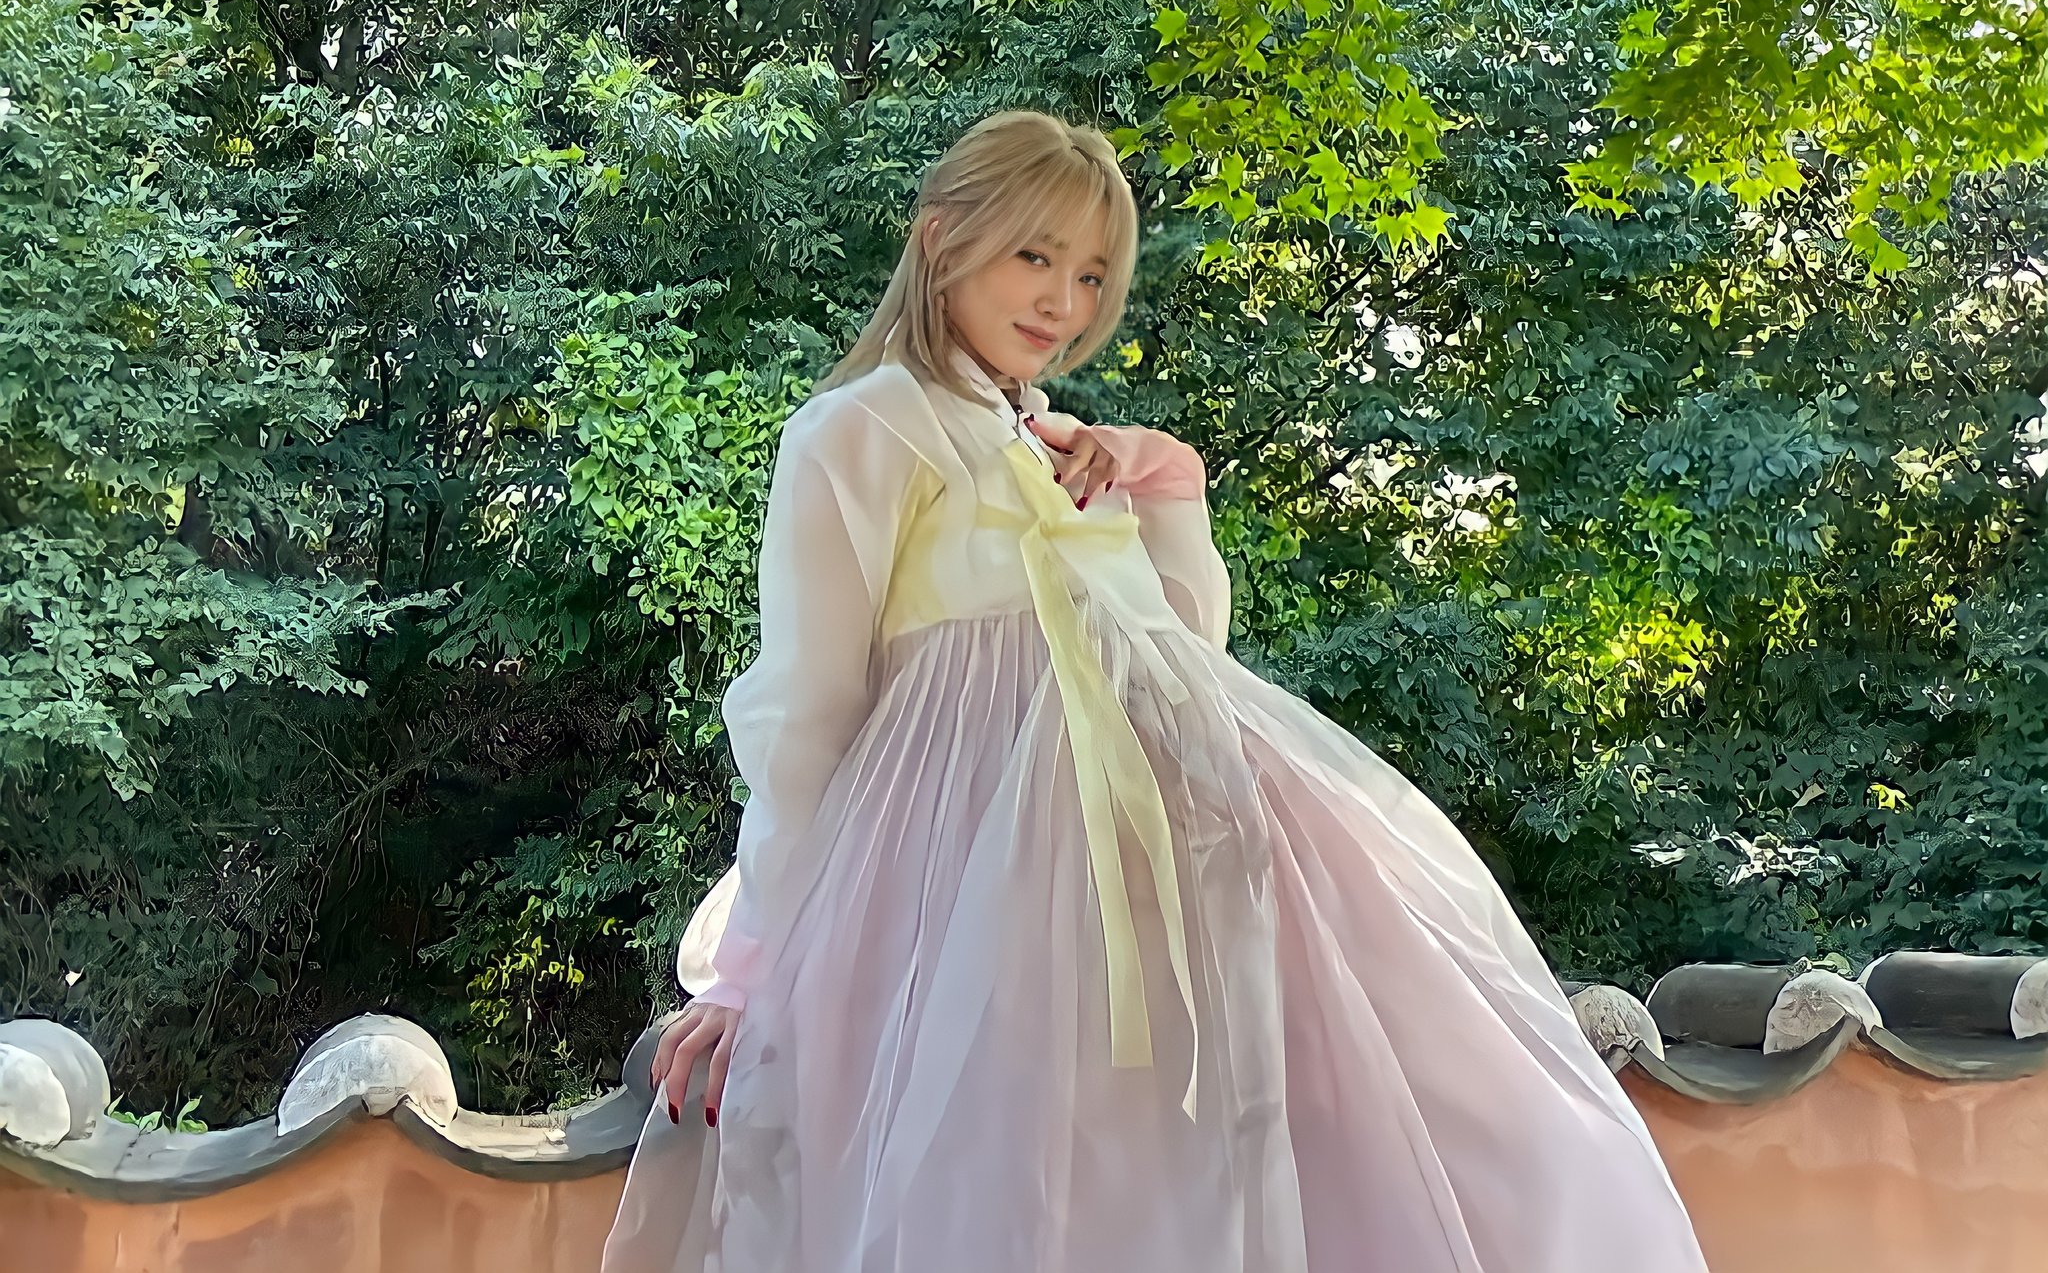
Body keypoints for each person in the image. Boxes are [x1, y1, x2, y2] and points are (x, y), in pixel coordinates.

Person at [600, 109, 1711, 1273]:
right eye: (1034, 256)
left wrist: (1163, 482)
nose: (1063, 303)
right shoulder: (862, 428)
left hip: (1164, 883)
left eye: (1090, 274)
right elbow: (807, 709)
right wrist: (750, 971)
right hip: (969, 880)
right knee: (1018, 1202)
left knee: (1410, 1105)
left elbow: (1182, 651)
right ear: (940, 239)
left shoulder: (1055, 442)